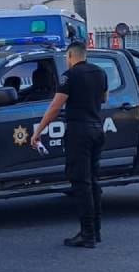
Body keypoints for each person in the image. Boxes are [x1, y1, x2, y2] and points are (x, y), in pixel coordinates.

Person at [31, 42, 108, 248]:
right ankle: (96, 230)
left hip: (79, 131)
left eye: (67, 58)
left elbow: (55, 106)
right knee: (93, 180)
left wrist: (38, 132)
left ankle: (87, 234)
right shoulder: (100, 72)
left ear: (71, 56)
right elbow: (105, 98)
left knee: (81, 182)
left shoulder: (70, 76)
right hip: (97, 129)